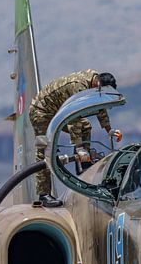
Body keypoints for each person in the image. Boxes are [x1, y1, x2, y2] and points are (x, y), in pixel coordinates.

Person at [28, 70, 118, 207]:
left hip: (57, 110)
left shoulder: (94, 84)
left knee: (86, 126)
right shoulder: (78, 87)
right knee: (44, 149)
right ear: (98, 84)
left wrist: (109, 130)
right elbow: (74, 119)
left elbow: (100, 107)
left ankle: (83, 165)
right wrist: (80, 148)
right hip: (42, 111)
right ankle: (44, 194)